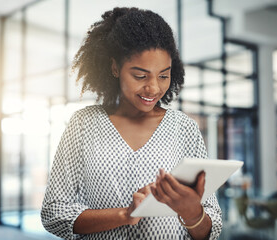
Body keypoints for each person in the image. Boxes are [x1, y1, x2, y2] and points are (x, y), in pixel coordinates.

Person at [41, 7, 222, 240]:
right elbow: (54, 213)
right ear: (115, 68)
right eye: (140, 76)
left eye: (163, 75)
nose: (154, 88)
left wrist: (192, 212)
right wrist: (125, 214)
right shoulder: (83, 125)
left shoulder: (183, 128)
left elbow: (211, 229)